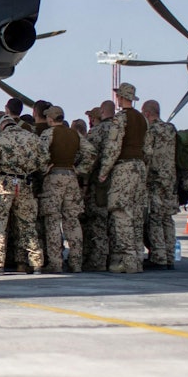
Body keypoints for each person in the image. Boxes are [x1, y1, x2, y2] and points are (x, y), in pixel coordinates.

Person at [0, 112, 50, 275]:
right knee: (28, 224)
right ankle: (36, 263)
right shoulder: (32, 138)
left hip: (5, 183)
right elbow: (44, 162)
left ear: (2, 125)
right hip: (25, 184)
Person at [98, 82, 148, 273]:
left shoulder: (121, 119)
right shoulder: (142, 119)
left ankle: (128, 262)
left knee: (121, 213)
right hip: (139, 168)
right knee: (136, 215)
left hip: (124, 168)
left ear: (121, 97)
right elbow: (148, 148)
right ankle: (137, 258)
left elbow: (113, 147)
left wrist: (104, 171)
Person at [39, 106, 86, 273]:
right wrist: (79, 170)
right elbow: (91, 152)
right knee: (72, 220)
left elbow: (41, 154)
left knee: (52, 220)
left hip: (54, 178)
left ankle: (56, 262)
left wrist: (44, 169)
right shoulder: (75, 134)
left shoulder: (48, 134)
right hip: (71, 178)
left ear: (51, 119)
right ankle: (76, 262)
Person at [142, 99, 178, 270]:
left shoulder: (151, 130)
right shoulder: (171, 129)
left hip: (155, 179)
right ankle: (170, 256)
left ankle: (159, 256)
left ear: (147, 114)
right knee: (167, 219)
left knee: (155, 219)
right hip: (170, 179)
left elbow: (147, 153)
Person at [82, 100, 116, 271]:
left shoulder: (97, 132)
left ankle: (99, 261)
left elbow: (90, 158)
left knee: (98, 222)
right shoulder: (120, 128)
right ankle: (115, 259)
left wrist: (85, 182)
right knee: (116, 222)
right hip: (119, 182)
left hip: (100, 183)